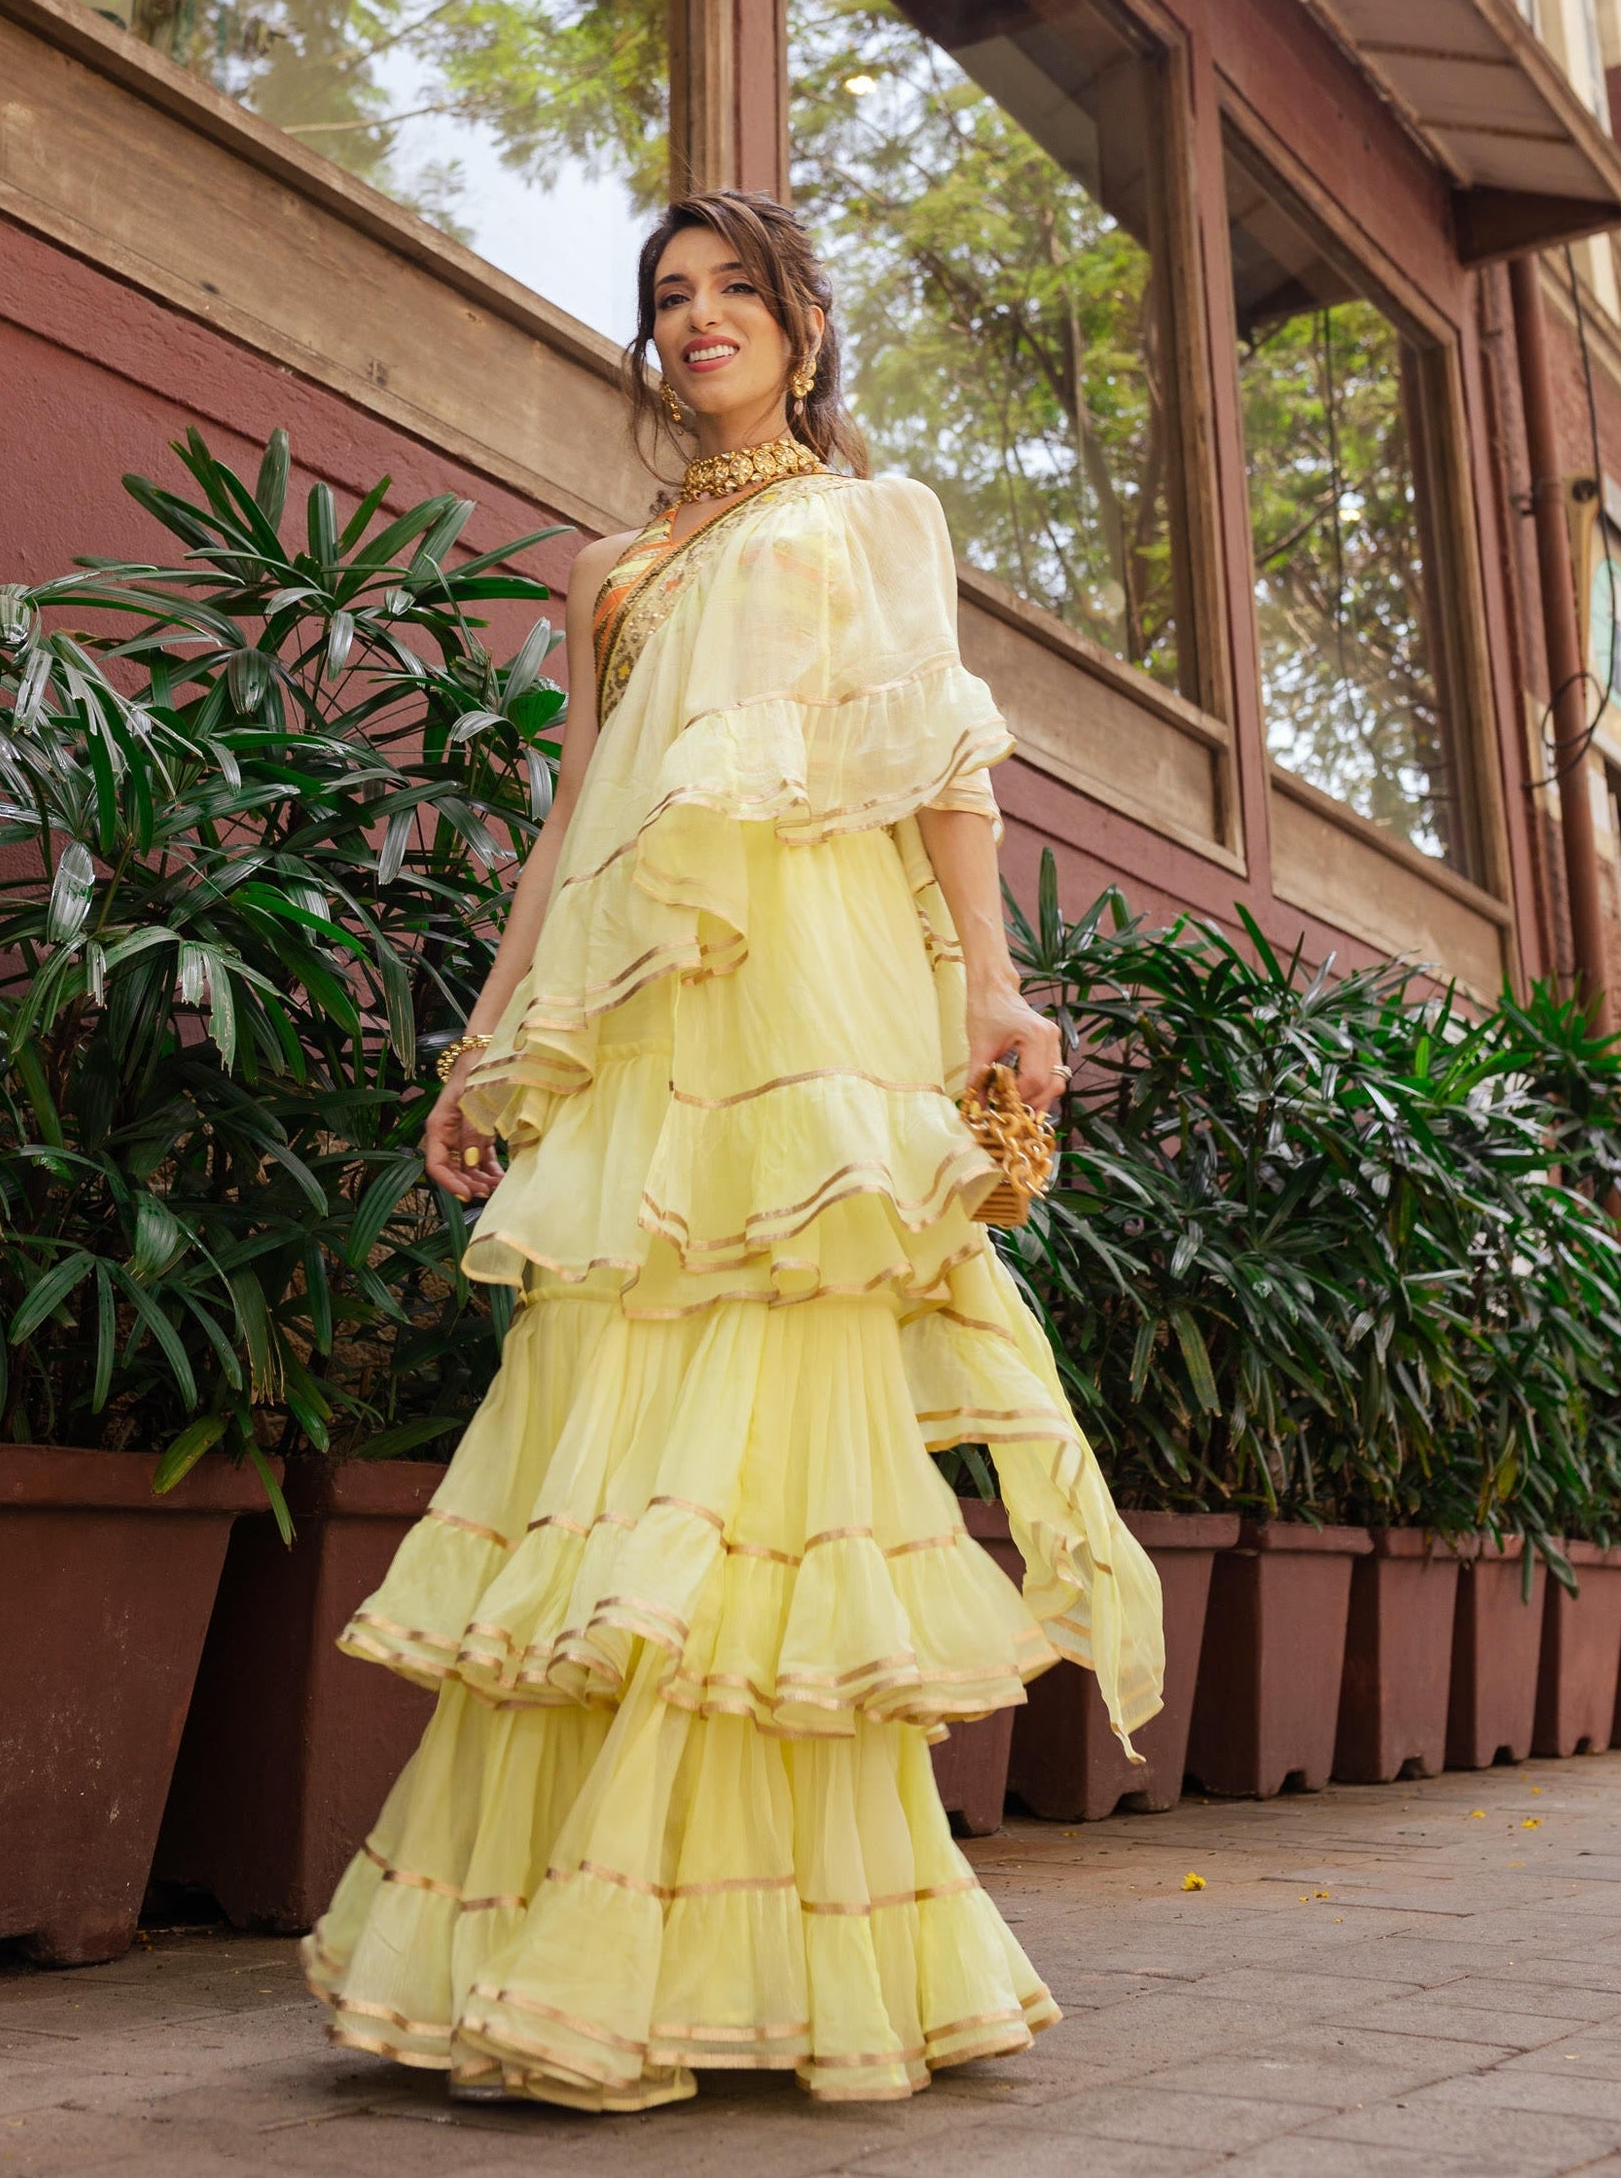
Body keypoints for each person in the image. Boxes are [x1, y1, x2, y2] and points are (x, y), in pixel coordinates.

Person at [302, 191, 1163, 2110]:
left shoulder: (863, 520)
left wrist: (991, 1002)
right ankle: (561, 1942)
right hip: (641, 1030)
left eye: (731, 292)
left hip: (808, 1016)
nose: (697, 321)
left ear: (801, 320)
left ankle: (740, 1960)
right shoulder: (610, 563)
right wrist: (488, 1039)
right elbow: (575, 814)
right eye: (667, 298)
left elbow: (937, 760)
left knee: (767, 1427)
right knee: (601, 1412)